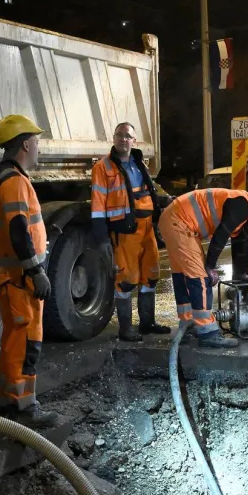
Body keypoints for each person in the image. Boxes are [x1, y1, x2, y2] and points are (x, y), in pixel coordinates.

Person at [0, 114, 57, 428]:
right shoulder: (13, 180)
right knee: (25, 342)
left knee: (16, 339)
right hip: (19, 279)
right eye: (36, 141)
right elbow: (17, 228)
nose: (38, 147)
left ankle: (8, 405)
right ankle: (22, 408)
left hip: (9, 276)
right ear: (25, 144)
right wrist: (35, 270)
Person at [159, 189, 248, 349]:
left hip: (174, 220)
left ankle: (188, 323)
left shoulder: (244, 209)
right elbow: (221, 235)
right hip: (180, 222)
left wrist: (241, 273)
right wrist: (210, 267)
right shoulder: (241, 206)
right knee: (201, 278)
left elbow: (240, 243)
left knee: (182, 275)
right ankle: (207, 333)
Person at [91, 122, 171, 342]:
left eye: (127, 136)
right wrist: (102, 239)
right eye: (119, 135)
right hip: (125, 232)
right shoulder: (103, 167)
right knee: (125, 280)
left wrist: (165, 202)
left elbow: (146, 193)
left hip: (147, 229)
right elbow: (97, 205)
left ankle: (147, 323)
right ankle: (125, 329)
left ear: (134, 141)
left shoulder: (139, 163)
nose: (123, 139)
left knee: (150, 276)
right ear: (114, 138)